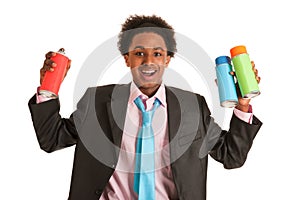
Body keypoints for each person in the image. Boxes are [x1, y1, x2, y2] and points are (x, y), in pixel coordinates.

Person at [28, 15, 262, 200]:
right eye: (139, 53)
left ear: (167, 59)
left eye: (157, 54)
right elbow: (52, 139)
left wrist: (242, 104)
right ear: (126, 58)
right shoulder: (97, 102)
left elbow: (231, 156)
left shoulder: (192, 107)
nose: (148, 61)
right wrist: (48, 90)